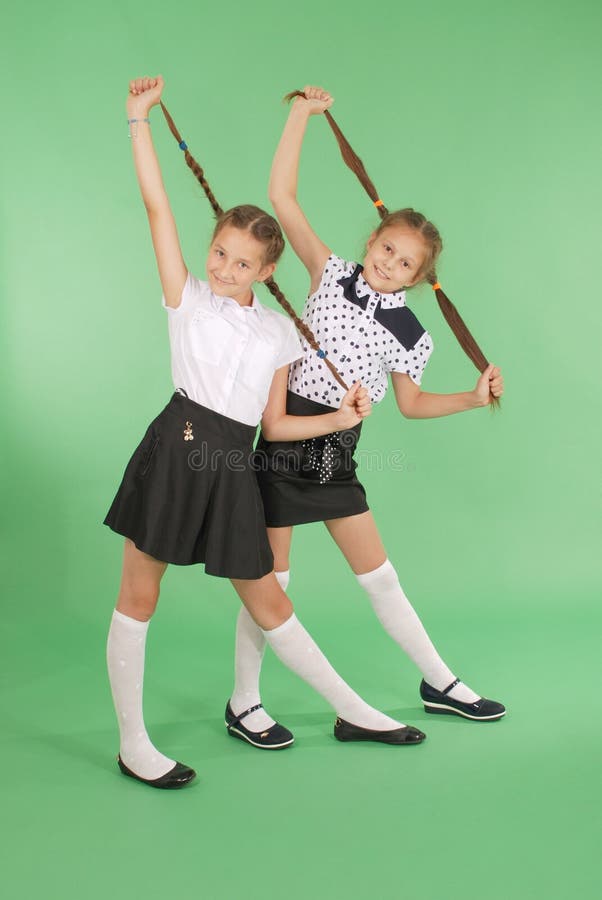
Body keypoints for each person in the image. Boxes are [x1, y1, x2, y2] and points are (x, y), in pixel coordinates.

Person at [104, 76, 428, 790]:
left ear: (268, 270)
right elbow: (157, 205)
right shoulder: (185, 298)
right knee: (140, 596)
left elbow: (278, 423)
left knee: (271, 599)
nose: (223, 269)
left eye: (241, 262)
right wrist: (138, 119)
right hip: (178, 449)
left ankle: (354, 710)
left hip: (234, 468)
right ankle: (133, 743)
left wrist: (346, 414)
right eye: (218, 253)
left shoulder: (280, 331)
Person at [229, 86, 506, 747]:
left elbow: (409, 405)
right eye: (386, 248)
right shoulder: (328, 273)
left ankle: (439, 682)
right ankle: (244, 703)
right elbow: (283, 196)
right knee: (275, 580)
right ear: (373, 239)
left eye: (404, 262)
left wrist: (471, 397)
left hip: (338, 451)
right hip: (289, 432)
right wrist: (301, 114)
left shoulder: (413, 332)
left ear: (416, 277)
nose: (389, 263)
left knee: (380, 577)